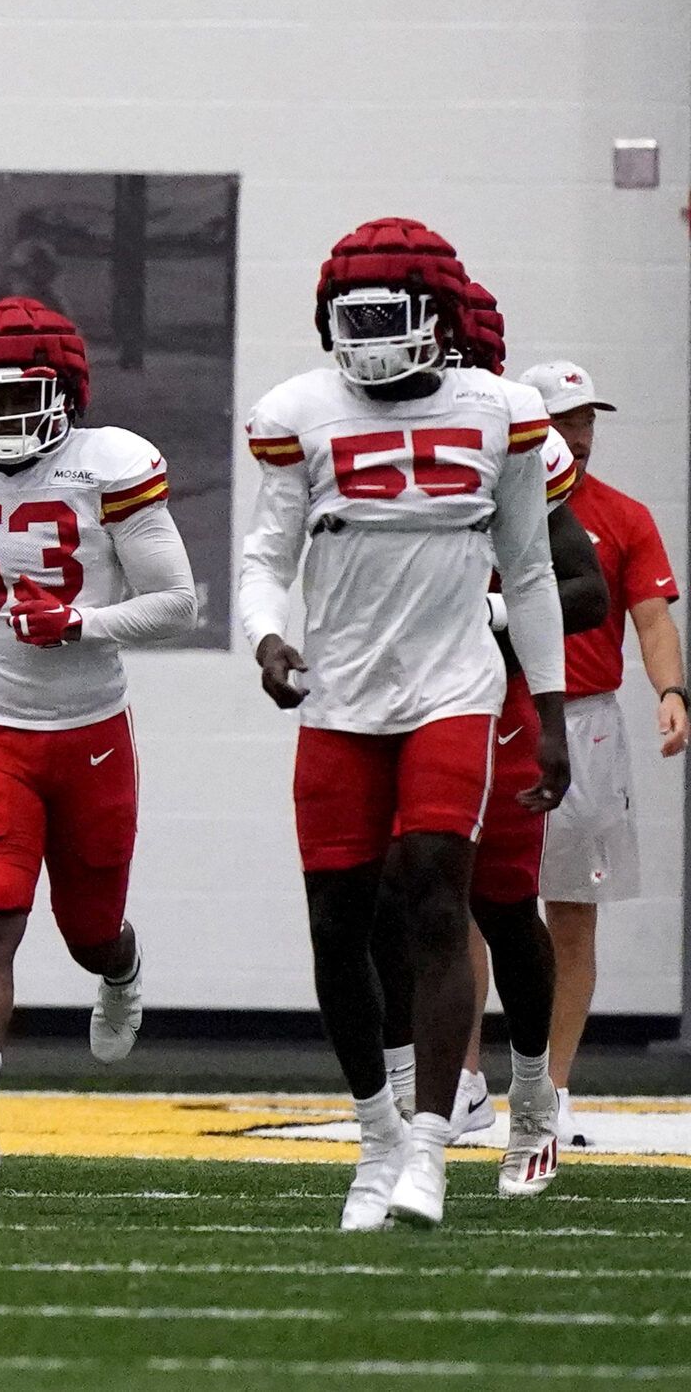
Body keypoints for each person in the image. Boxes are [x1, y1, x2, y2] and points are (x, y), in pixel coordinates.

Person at [239, 218, 568, 1231]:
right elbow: (264, 553)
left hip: (452, 689)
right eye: (356, 316)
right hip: (340, 695)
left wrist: (548, 710)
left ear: (436, 315)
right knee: (338, 923)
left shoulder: (501, 413)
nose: (372, 335)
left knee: (433, 890)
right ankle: (375, 1134)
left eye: (392, 313)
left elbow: (532, 566)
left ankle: (429, 1143)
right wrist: (265, 636)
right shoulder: (298, 410)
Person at [0, 296, 195, 1183]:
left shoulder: (111, 467)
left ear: (67, 393)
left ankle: (121, 968)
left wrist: (82, 622)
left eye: (29, 398)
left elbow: (178, 603)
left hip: (92, 733)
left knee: (87, 930)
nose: (12, 418)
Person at [367, 280, 603, 1199]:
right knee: (389, 893)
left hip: (488, 699)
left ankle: (535, 1095)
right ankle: (406, 1108)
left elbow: (581, 590)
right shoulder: (355, 426)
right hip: (389, 697)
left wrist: (486, 610)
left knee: (504, 905)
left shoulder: (513, 439)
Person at [517, 358, 686, 1146]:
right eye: (564, 420)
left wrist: (671, 692)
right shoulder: (492, 505)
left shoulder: (623, 514)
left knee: (573, 916)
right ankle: (466, 1086)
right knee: (468, 905)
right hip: (496, 716)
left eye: (586, 420)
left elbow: (651, 617)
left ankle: (553, 1089)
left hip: (585, 722)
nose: (579, 436)